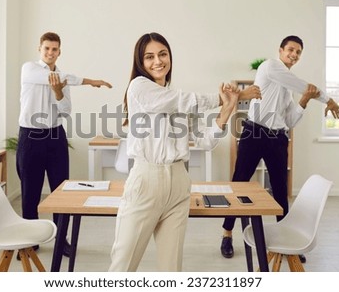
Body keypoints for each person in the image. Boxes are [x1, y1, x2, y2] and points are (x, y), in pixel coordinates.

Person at [108, 32, 261, 272]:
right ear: (140, 62)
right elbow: (183, 100)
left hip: (179, 183)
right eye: (149, 57)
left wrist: (228, 108)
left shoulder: (176, 99)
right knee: (123, 266)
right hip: (146, 180)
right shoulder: (139, 88)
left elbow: (205, 141)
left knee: (171, 270)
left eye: (162, 54)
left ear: (170, 57)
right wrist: (229, 96)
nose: (158, 61)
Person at [220, 35, 339, 262]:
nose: (294, 55)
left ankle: (287, 239)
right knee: (239, 182)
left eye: (298, 52)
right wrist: (327, 99)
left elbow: (290, 121)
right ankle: (227, 233)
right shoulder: (270, 67)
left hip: (277, 138)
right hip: (254, 132)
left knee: (280, 188)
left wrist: (304, 100)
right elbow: (301, 85)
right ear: (280, 50)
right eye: (291, 50)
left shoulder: (287, 89)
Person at [16, 32, 112, 258]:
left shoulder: (62, 78)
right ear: (39, 49)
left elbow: (66, 110)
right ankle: (29, 242)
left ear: (60, 52)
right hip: (31, 137)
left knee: (61, 190)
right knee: (30, 191)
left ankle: (61, 240)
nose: (50, 53)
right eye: (46, 48)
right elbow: (57, 78)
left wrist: (58, 93)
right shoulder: (29, 69)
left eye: (55, 49)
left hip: (55, 136)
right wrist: (90, 81)